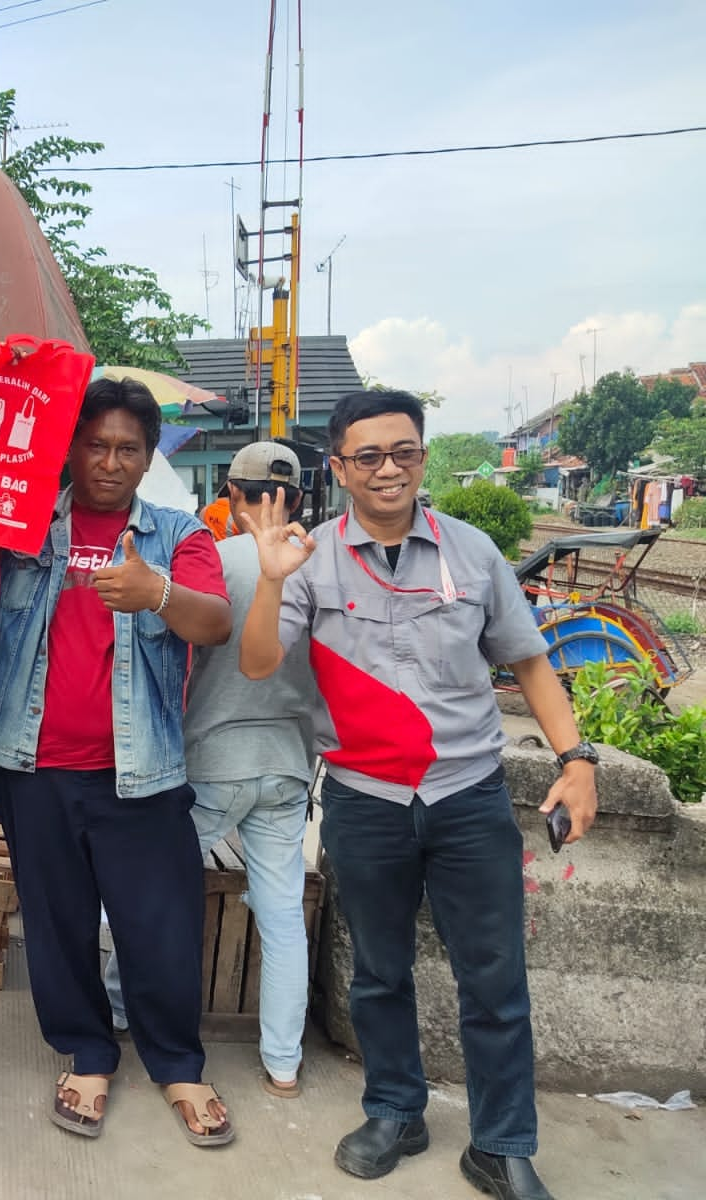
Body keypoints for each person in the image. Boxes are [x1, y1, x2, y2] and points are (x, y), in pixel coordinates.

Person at [238, 389, 599, 1200]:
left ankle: (501, 1143)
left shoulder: (472, 555)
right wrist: (268, 582)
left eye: (402, 452)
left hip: (468, 793)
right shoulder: (310, 559)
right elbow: (259, 663)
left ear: (423, 457)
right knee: (378, 970)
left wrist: (576, 760)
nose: (387, 469)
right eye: (367, 456)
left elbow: (529, 661)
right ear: (339, 467)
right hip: (366, 798)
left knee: (495, 977)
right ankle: (395, 1110)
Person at [0, 377, 235, 1146]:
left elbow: (215, 623)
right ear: (71, 447)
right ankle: (87, 1053)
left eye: (127, 448)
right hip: (35, 768)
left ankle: (178, 1062)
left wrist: (156, 593)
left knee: (161, 926)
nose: (110, 462)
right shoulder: (23, 525)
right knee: (56, 925)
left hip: (140, 772)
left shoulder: (178, 536)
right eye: (95, 444)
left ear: (148, 457)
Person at [108, 441, 317, 1096]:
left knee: (146, 894)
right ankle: (283, 1062)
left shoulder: (205, 561)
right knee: (282, 913)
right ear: (300, 501)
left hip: (208, 762)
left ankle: (116, 1010)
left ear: (228, 496)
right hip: (288, 765)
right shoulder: (320, 567)